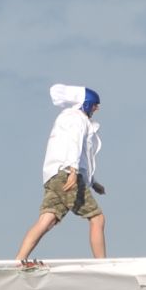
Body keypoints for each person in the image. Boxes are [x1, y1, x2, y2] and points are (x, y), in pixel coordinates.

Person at [15, 84, 106, 267]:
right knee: (97, 219)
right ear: (86, 104)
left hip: (53, 175)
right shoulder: (77, 119)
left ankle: (18, 261)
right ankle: (103, 265)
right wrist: (72, 171)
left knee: (46, 219)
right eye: (95, 104)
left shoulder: (65, 118)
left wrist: (93, 182)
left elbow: (81, 155)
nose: (97, 108)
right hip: (66, 174)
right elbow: (74, 144)